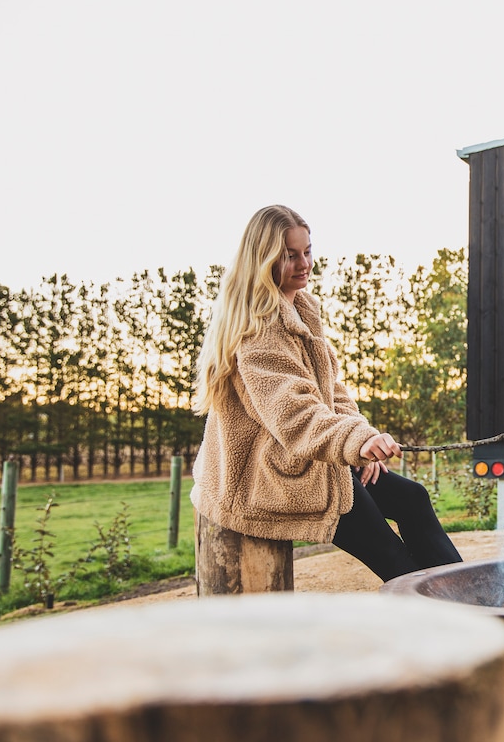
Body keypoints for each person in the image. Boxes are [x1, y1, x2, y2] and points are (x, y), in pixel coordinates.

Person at [190, 204, 462, 581]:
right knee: (393, 558)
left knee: (413, 499)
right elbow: (295, 412)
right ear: (264, 257)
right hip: (271, 474)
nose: (305, 263)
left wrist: (361, 441)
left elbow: (329, 389)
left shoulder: (299, 305)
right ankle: (441, 623)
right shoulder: (257, 328)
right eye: (290, 256)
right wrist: (355, 442)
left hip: (312, 457)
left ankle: (469, 601)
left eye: (308, 251)